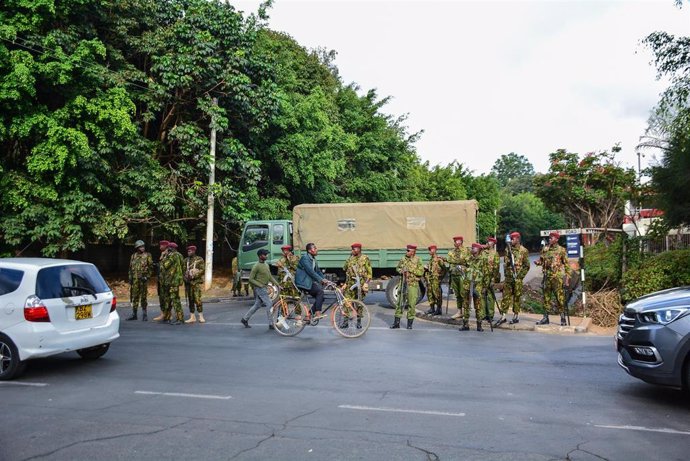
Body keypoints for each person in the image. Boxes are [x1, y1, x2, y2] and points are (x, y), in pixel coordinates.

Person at [534, 231, 572, 326]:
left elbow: (567, 265)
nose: (550, 239)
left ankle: (562, 318)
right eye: (549, 238)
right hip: (547, 277)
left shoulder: (561, 250)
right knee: (546, 298)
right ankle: (545, 318)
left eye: (552, 238)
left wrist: (567, 278)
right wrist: (538, 262)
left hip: (556, 278)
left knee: (559, 298)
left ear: (557, 239)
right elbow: (542, 260)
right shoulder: (545, 249)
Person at [496, 231, 530, 325]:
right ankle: (503, 316)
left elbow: (527, 265)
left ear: (517, 239)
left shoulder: (523, 251)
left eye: (512, 239)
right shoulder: (508, 249)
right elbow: (506, 263)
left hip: (517, 278)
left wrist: (520, 276)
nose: (511, 240)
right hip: (509, 278)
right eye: (510, 239)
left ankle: (516, 316)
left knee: (517, 297)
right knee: (505, 297)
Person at [241, 249, 280, 329]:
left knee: (257, 305)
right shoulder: (256, 266)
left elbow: (269, 276)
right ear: (260, 256)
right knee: (269, 304)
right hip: (259, 288)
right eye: (265, 255)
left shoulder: (266, 264)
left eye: (266, 254)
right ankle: (271, 324)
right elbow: (251, 279)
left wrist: (277, 285)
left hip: (264, 287)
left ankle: (245, 319)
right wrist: (260, 285)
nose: (266, 256)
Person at [390, 244, 424, 330]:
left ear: (413, 252)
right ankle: (396, 323)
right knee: (399, 303)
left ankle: (409, 324)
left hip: (412, 284)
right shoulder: (403, 259)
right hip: (403, 283)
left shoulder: (418, 260)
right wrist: (401, 271)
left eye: (408, 251)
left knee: (411, 304)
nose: (407, 252)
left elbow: (421, 272)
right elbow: (397, 268)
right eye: (407, 250)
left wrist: (410, 270)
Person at [295, 243, 328, 320]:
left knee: (321, 298)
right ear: (309, 250)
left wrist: (325, 279)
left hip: (308, 282)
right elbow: (310, 271)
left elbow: (318, 271)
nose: (316, 250)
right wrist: (320, 280)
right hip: (303, 282)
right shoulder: (305, 258)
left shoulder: (313, 259)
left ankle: (309, 315)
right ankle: (317, 313)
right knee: (320, 292)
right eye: (315, 248)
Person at [460, 243, 489, 331]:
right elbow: (462, 267)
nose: (472, 249)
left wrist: (485, 287)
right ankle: (465, 324)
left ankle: (479, 325)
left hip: (478, 285)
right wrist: (463, 269)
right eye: (472, 248)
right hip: (467, 285)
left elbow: (486, 274)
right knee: (466, 305)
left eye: (474, 248)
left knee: (478, 305)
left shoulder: (483, 259)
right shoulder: (468, 259)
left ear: (479, 249)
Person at [127, 240, 153, 321]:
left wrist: (147, 276)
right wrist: (130, 278)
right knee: (134, 297)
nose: (143, 248)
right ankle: (134, 314)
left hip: (143, 280)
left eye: (143, 246)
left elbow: (151, 267)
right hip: (135, 280)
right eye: (141, 247)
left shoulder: (147, 255)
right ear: (137, 248)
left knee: (143, 297)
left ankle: (144, 314)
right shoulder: (133, 256)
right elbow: (130, 268)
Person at [446, 236, 469, 320]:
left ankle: (465, 312)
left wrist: (453, 260)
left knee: (463, 293)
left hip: (462, 275)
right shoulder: (452, 251)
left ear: (460, 242)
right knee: (457, 294)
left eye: (456, 241)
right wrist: (456, 261)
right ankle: (459, 311)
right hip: (454, 274)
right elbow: (448, 259)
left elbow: (465, 261)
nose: (455, 243)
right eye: (454, 241)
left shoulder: (466, 251)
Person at [162, 242, 185, 325]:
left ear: (170, 249)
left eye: (168, 248)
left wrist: (164, 256)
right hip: (175, 280)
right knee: (170, 299)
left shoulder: (171, 255)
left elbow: (165, 265)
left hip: (171, 281)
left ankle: (179, 319)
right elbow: (183, 266)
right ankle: (167, 317)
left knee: (174, 300)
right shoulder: (180, 255)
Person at [184, 245, 205, 324]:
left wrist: (194, 275)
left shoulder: (199, 259)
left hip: (196, 283)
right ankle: (192, 317)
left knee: (198, 299)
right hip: (188, 283)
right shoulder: (186, 260)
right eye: (188, 251)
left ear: (194, 251)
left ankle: (201, 316)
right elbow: (183, 270)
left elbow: (202, 270)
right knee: (190, 300)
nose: (188, 252)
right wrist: (185, 277)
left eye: (190, 251)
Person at [424, 244, 446, 316]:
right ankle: (432, 308)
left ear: (434, 250)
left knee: (437, 295)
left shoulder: (439, 259)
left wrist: (440, 278)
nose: (429, 252)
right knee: (430, 294)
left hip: (436, 280)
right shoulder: (431, 260)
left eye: (430, 250)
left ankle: (438, 309)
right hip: (430, 280)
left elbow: (444, 269)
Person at [483, 237, 501, 322]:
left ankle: (490, 314)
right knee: (482, 295)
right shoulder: (483, 252)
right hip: (482, 277)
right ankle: (483, 314)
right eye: (488, 241)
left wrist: (494, 279)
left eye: (490, 242)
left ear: (493, 244)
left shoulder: (495, 254)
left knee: (490, 296)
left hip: (490, 277)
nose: (488, 243)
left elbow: (496, 268)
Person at [153, 240, 171, 322]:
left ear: (166, 246)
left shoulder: (169, 255)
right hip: (160, 280)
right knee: (161, 297)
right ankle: (163, 313)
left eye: (161, 245)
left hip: (167, 280)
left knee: (167, 297)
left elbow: (167, 267)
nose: (160, 247)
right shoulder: (162, 254)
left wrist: (162, 257)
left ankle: (169, 314)